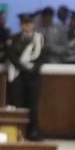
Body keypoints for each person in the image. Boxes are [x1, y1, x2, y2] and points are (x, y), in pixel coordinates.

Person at [5, 11, 45, 139]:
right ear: (21, 25)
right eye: (24, 24)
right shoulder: (13, 38)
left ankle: (32, 132)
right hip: (18, 76)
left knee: (33, 106)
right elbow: (12, 56)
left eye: (29, 24)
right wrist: (23, 68)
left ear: (33, 25)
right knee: (18, 105)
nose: (26, 26)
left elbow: (41, 57)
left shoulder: (40, 39)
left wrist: (32, 69)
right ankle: (18, 132)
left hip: (33, 77)